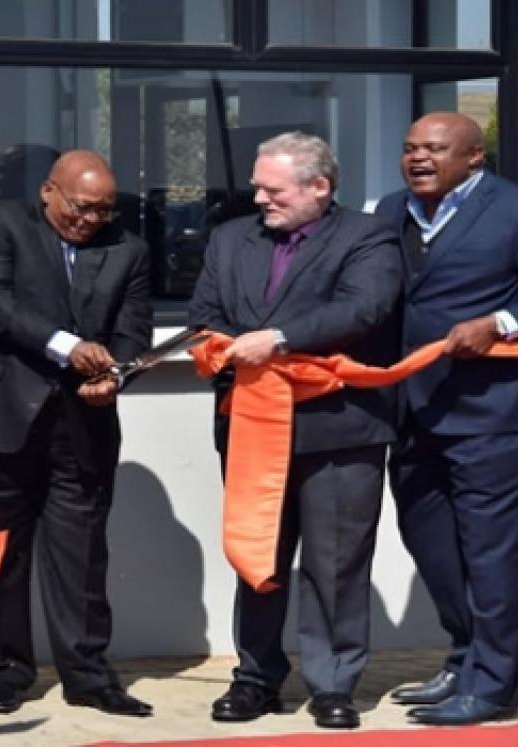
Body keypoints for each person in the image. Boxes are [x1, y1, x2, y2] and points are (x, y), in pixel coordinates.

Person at [375, 112, 518, 726]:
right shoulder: (391, 211)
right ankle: (465, 659)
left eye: (434, 148)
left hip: (499, 413)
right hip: (414, 410)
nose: (418, 158)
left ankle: (494, 686)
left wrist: (501, 323)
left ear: (475, 156)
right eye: (409, 148)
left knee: (492, 557)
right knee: (432, 545)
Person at [0, 150, 154, 718]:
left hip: (82, 423)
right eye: (81, 207)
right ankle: (5, 672)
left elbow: (133, 329)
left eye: (103, 211)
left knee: (82, 556)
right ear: (49, 192)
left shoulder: (128, 249)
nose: (91, 220)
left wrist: (115, 376)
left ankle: (89, 676)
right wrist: (67, 347)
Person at [188, 132, 402, 730]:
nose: (259, 198)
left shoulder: (368, 237)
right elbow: (205, 313)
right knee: (256, 552)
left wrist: (279, 340)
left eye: (273, 190)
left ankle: (333, 684)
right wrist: (225, 345)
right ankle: (255, 678)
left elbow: (362, 309)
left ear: (319, 187)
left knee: (336, 562)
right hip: (252, 423)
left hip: (339, 428)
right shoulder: (231, 238)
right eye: (257, 187)